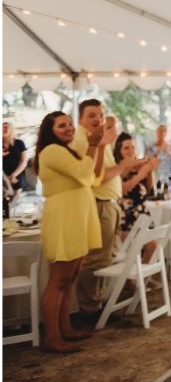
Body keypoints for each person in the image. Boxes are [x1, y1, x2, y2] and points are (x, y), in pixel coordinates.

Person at [35, 111, 116, 352]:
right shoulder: (51, 151)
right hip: (64, 217)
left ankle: (66, 327)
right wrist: (92, 145)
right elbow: (82, 174)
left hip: (77, 216)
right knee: (59, 279)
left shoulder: (68, 151)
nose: (69, 128)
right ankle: (52, 337)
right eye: (62, 126)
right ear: (50, 131)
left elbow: (90, 177)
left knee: (70, 279)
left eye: (70, 124)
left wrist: (97, 147)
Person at [70, 100, 139, 328]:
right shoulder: (82, 141)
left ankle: (97, 305)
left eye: (100, 115)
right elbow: (95, 178)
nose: (97, 119)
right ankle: (89, 310)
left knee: (104, 258)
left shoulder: (99, 139)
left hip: (109, 204)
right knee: (94, 260)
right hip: (98, 204)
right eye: (91, 115)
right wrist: (124, 166)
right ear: (80, 117)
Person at [113, 133, 159, 262]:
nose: (131, 151)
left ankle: (142, 273)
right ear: (119, 151)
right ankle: (131, 275)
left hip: (143, 212)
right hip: (127, 213)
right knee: (130, 251)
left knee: (153, 248)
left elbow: (151, 191)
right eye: (126, 148)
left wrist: (149, 171)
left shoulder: (140, 165)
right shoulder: (117, 168)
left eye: (133, 147)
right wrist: (140, 175)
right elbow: (121, 190)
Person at [146, 124, 171, 193]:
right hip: (155, 180)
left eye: (165, 131)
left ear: (169, 133)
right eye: (160, 131)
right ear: (156, 133)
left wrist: (169, 152)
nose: (162, 133)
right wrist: (159, 150)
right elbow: (149, 165)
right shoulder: (150, 147)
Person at [3, 121, 30, 195]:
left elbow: (24, 161)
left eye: (5, 127)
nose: (3, 129)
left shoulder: (19, 143)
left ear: (11, 129)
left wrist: (13, 175)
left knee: (16, 197)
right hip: (2, 176)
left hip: (16, 175)